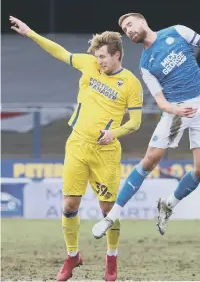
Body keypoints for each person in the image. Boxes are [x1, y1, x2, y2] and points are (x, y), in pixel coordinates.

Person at [9, 15, 143, 281]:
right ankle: (72, 256)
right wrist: (30, 33)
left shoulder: (131, 84)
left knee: (108, 211)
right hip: (78, 144)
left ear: (117, 55)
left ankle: (111, 258)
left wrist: (114, 132)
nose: (99, 61)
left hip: (105, 152)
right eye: (97, 56)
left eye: (103, 56)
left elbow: (136, 122)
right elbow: (59, 52)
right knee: (70, 204)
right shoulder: (89, 64)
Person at [92, 12, 200, 239]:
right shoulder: (146, 64)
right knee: (150, 160)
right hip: (176, 110)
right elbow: (160, 101)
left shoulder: (178, 31)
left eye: (130, 24)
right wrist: (175, 110)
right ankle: (111, 216)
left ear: (143, 21)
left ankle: (168, 204)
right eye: (125, 30)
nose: (129, 30)